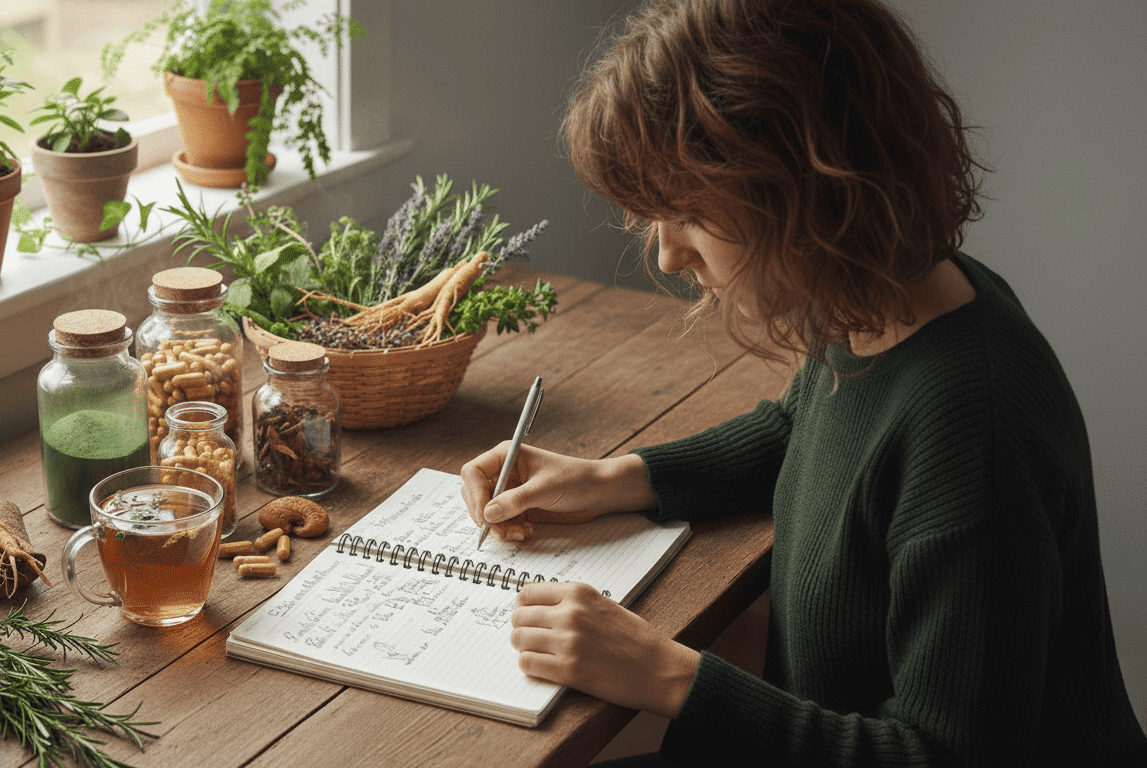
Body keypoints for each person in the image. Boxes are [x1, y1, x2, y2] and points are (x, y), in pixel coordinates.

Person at [459, 0, 1147, 765]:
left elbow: (943, 755)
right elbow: (803, 430)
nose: (667, 255)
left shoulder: (974, 424)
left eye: (688, 212)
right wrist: (613, 480)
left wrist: (667, 674)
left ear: (804, 187)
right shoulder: (875, 302)